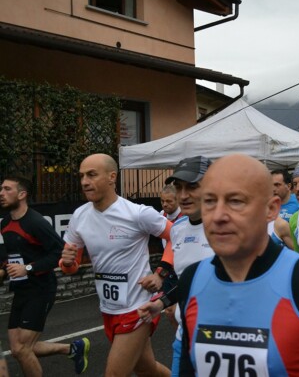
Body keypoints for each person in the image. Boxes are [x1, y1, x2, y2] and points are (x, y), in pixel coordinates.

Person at [174, 154, 299, 375]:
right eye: (209, 202)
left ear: (271, 210)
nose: (218, 216)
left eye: (235, 201)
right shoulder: (192, 280)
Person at [60, 153, 171, 377]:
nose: (84, 182)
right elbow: (70, 266)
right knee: (146, 369)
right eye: (82, 176)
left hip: (138, 307)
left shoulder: (137, 213)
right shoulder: (80, 216)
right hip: (108, 308)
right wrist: (67, 262)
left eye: (92, 175)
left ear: (112, 177)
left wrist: (160, 273)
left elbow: (177, 237)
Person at [0, 176, 89, 376]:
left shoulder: (36, 222)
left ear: (22, 194)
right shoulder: (5, 223)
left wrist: (27, 268)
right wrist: (4, 270)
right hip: (21, 289)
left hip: (41, 289)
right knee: (16, 349)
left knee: (23, 349)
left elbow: (59, 253)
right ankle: (72, 349)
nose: (1, 193)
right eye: (1, 189)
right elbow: (12, 256)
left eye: (7, 189)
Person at [137, 156, 216, 375]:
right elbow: (187, 283)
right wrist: (160, 303)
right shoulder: (177, 229)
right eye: (179, 187)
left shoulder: (229, 228)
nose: (183, 195)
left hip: (221, 340)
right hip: (185, 336)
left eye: (192, 187)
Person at [158, 184, 184, 249]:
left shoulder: (186, 217)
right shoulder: (161, 215)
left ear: (177, 200)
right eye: (162, 201)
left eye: (168, 201)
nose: (164, 204)